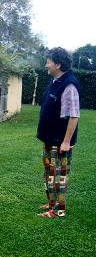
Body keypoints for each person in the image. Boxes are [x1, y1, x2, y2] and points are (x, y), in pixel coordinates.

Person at [36, 47, 80, 219]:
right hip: (49, 139)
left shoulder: (69, 85)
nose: (46, 64)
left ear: (58, 64)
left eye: (48, 61)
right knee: (49, 173)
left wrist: (66, 141)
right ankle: (51, 203)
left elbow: (74, 116)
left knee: (59, 175)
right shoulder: (55, 81)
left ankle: (57, 211)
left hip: (60, 141)